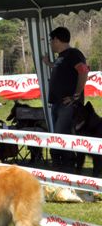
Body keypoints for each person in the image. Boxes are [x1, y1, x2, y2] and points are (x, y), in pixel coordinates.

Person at [43, 26, 89, 170]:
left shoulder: (73, 54)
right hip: (57, 103)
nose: (51, 44)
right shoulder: (62, 57)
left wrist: (76, 95)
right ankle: (63, 164)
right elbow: (61, 68)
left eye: (51, 41)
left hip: (67, 105)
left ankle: (65, 165)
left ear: (57, 40)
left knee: (61, 135)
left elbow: (83, 71)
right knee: (60, 134)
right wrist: (48, 63)